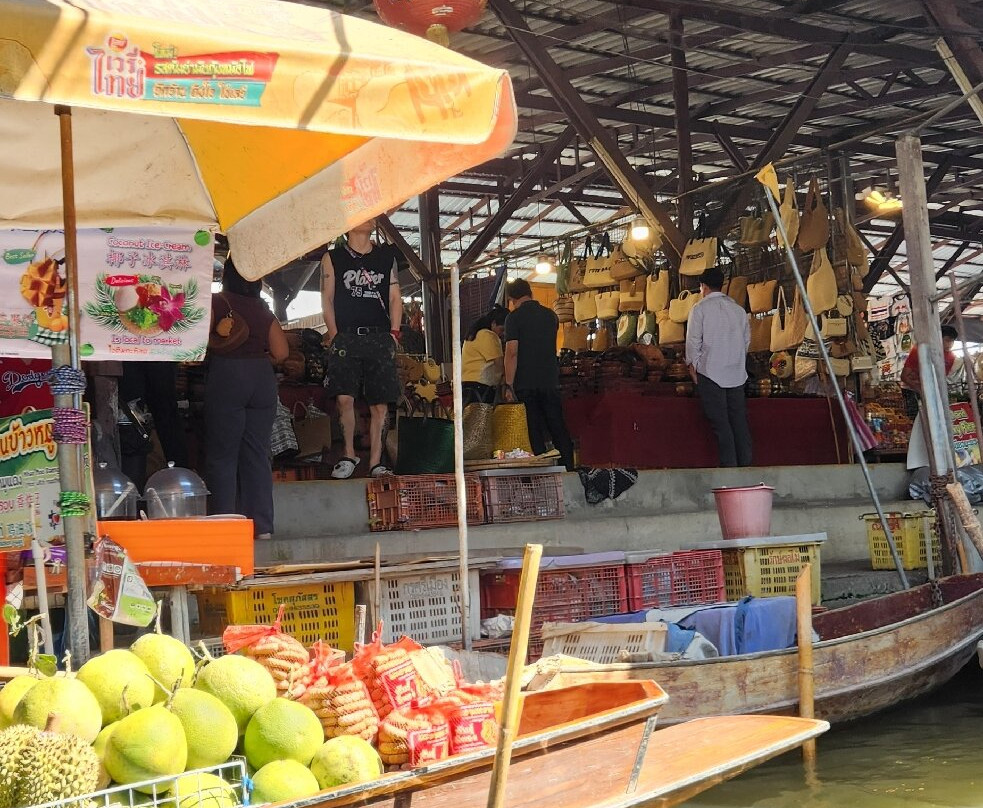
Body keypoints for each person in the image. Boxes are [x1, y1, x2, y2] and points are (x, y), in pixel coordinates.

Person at [205, 257, 289, 541]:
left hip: (228, 375)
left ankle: (225, 526)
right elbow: (282, 353)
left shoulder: (217, 303)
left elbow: (198, 342)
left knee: (223, 455)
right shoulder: (263, 311)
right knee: (257, 454)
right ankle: (262, 527)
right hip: (261, 379)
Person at [321, 218, 402, 479]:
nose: (368, 218)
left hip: (379, 336)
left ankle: (376, 462)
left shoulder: (386, 256)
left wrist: (395, 334)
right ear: (347, 225)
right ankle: (348, 454)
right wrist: (334, 335)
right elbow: (327, 298)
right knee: (344, 398)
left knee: (380, 404)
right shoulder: (332, 258)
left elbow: (394, 297)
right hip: (347, 337)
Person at [503, 278, 575, 470]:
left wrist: (508, 384)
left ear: (512, 298)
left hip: (526, 382)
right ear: (531, 293)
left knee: (533, 428)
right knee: (557, 425)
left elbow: (512, 352)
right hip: (550, 380)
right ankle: (568, 466)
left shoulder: (514, 318)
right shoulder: (551, 316)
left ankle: (542, 469)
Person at [686, 266, 753, 467]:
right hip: (736, 374)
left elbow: (693, 342)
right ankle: (746, 466)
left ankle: (729, 470)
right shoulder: (739, 310)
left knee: (721, 425)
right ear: (721, 285)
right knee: (739, 422)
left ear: (703, 286)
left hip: (710, 372)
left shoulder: (699, 309)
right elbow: (746, 341)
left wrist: (693, 366)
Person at [900, 325, 958, 418]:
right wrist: (920, 390)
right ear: (938, 338)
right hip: (912, 390)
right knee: (915, 419)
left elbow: (941, 379)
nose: (950, 344)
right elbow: (904, 376)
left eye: (952, 341)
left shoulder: (951, 357)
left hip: (931, 393)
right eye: (947, 340)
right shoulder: (919, 351)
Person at [461, 305, 508, 405]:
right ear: (494, 323)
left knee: (472, 419)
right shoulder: (488, 335)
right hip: (482, 386)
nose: (503, 334)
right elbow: (499, 362)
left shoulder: (473, 334)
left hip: (467, 384)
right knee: (484, 419)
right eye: (502, 329)